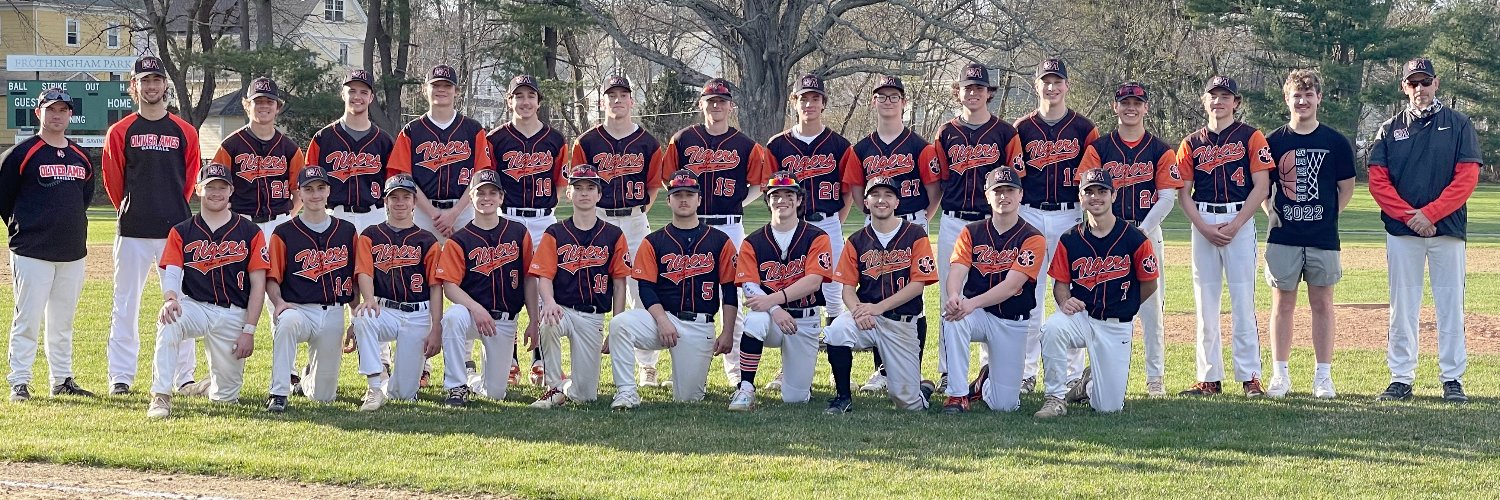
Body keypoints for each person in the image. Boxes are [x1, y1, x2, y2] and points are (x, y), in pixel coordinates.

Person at [1368, 58, 1482, 403]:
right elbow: (1378, 181)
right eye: (1413, 83)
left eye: (1425, 82)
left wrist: (1430, 214)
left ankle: (1452, 379)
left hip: (1446, 230)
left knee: (1450, 305)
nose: (1420, 89)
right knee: (1403, 307)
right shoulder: (1388, 129)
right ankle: (1401, 378)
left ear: (1437, 83)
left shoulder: (1460, 124)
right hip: (1403, 233)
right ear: (1404, 87)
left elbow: (1466, 178)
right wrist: (1410, 216)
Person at [662, 77, 774, 388]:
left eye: (722, 101)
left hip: (729, 225)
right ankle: (680, 369)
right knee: (682, 292)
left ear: (730, 106)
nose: (716, 106)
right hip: (691, 225)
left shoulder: (746, 144)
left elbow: (759, 185)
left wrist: (739, 201)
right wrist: (685, 205)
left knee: (733, 294)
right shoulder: (682, 139)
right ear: (701, 104)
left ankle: (736, 372)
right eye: (711, 101)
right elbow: (668, 180)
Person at [102, 55, 203, 396]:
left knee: (182, 303)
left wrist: (171, 208)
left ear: (165, 86)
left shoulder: (184, 131)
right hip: (132, 231)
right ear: (134, 86)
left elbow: (189, 180)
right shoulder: (120, 131)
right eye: (144, 81)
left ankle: (184, 376)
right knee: (125, 304)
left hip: (174, 230)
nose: (151, 86)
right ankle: (121, 376)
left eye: (156, 80)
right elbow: (114, 179)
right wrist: (131, 208)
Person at [1075, 82, 1182, 397]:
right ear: (1115, 107)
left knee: (1151, 309)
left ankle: (1155, 380)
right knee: (1101, 307)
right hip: (1105, 235)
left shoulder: (1160, 149)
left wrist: (1140, 231)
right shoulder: (1101, 147)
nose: (1130, 107)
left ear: (1146, 107)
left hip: (1145, 233)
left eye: (1137, 102)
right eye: (1124, 102)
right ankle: (1095, 376)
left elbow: (1167, 198)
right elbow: (1086, 190)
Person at [1176, 75, 1273, 397]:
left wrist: (1237, 224)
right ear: (1205, 101)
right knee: (1205, 302)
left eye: (1225, 96)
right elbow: (1183, 193)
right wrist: (1203, 227)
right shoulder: (1191, 142)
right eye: (1213, 96)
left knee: (1243, 301)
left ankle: (1250, 377)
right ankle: (1208, 378)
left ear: (1236, 102)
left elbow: (1262, 186)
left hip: (1239, 217)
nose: (1219, 101)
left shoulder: (1251, 136)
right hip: (1203, 218)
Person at [1034, 169, 1160, 418]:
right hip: (1082, 317)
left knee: (1109, 407)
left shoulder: (1134, 238)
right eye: (1089, 191)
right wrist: (1064, 300)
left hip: (1116, 323)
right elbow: (1061, 283)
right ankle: (1055, 399)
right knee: (1052, 328)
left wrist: (1127, 306)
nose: (1096, 197)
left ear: (1113, 196)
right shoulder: (1070, 238)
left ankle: (1087, 385)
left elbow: (1149, 283)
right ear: (1081, 198)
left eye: (1102, 191)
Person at [1261, 69, 1356, 399]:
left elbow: (1346, 187)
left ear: (1319, 98)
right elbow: (1263, 189)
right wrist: (1273, 214)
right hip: (1283, 236)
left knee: (1322, 304)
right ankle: (1280, 374)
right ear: (1286, 99)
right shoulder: (1273, 142)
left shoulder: (1335, 142)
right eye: (1296, 96)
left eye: (1308, 95)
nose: (1302, 101)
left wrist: (1327, 217)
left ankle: (1323, 376)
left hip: (1322, 237)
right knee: (1282, 304)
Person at [606, 170, 737, 409]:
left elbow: (729, 290)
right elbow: (645, 287)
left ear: (699, 200)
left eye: (689, 194)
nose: (684, 199)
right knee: (620, 324)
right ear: (669, 201)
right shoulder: (654, 241)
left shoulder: (720, 241)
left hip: (699, 324)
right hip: (660, 321)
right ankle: (626, 392)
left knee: (688, 399)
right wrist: (662, 319)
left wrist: (727, 332)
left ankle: (686, 374)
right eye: (678, 194)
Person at [145, 163, 268, 417]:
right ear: (198, 190)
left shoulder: (250, 232)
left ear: (231, 191)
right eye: (210, 186)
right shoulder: (182, 231)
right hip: (196, 306)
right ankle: (161, 396)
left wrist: (250, 330)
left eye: (222, 187)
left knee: (225, 398)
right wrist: (170, 299)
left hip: (234, 313)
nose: (216, 192)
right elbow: (173, 272)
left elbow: (259, 285)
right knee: (169, 321)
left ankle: (207, 385)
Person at [845, 75, 941, 394]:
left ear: (904, 102)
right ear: (874, 101)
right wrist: (874, 214)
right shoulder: (862, 148)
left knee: (915, 297)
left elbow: (934, 190)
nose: (888, 101)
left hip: (911, 221)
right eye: (882, 96)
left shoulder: (920, 146)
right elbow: (858, 190)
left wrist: (919, 220)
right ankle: (882, 371)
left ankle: (909, 365)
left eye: (894, 96)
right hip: (877, 222)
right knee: (875, 290)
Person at [930, 63, 1022, 394]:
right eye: (968, 87)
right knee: (950, 295)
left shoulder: (1005, 133)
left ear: (989, 93)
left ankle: (988, 368)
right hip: (953, 219)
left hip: (990, 224)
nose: (974, 93)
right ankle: (946, 371)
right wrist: (928, 218)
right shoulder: (945, 132)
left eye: (979, 88)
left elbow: (1014, 184)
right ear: (959, 91)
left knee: (988, 292)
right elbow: (937, 182)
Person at [1, 87, 97, 401]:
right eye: (51, 109)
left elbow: (82, 198)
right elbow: (5, 198)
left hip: (71, 252)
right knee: (27, 317)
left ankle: (62, 379)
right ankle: (20, 381)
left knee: (63, 321)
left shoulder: (80, 155)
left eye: (63, 109)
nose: (57, 115)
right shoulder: (22, 153)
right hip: (32, 251)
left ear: (70, 114)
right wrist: (22, 228)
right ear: (38, 113)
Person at [569, 74, 666, 386]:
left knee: (642, 287)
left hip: (636, 219)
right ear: (603, 101)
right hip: (597, 217)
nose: (617, 100)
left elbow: (653, 187)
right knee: (590, 286)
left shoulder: (649, 143)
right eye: (611, 95)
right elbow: (576, 184)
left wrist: (633, 216)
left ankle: (647, 365)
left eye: (623, 94)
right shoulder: (586, 142)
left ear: (632, 101)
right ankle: (587, 360)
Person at [1014, 58, 1098, 394]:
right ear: (1036, 85)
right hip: (1031, 213)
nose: (1052, 87)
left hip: (1069, 213)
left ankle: (1072, 375)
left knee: (1073, 293)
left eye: (1057, 81)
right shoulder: (1021, 128)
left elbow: (1093, 177)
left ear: (1067, 85)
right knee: (1028, 293)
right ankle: (1026, 371)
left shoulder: (1083, 128)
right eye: (1046, 81)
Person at [823, 176, 939, 414]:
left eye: (888, 195)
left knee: (909, 404)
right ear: (866, 202)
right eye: (875, 195)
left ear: (897, 201)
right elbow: (846, 288)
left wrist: (878, 307)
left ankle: (923, 389)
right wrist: (858, 310)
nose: (881, 200)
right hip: (867, 318)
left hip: (902, 323)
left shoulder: (916, 234)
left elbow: (918, 285)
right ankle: (843, 397)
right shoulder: (856, 240)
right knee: (836, 330)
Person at [939, 167, 1046, 414]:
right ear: (987, 196)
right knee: (954, 318)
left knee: (1004, 405)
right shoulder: (972, 231)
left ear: (1020, 195)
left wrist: (970, 303)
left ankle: (983, 382)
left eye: (1010, 190)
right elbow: (956, 270)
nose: (1004, 196)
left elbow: (1012, 286)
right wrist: (954, 296)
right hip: (980, 316)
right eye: (998, 191)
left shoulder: (1033, 238)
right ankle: (956, 395)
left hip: (1012, 320)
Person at [526, 164, 630, 409]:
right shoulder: (555, 232)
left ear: (599, 194)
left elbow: (619, 283)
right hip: (562, 309)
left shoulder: (613, 234)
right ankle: (553, 387)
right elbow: (544, 277)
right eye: (578, 187)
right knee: (548, 321)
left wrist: (617, 325)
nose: (584, 193)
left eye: (590, 188)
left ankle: (565, 388)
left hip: (593, 317)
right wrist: (549, 303)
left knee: (585, 396)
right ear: (569, 193)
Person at [728, 171, 834, 411]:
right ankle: (745, 388)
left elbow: (814, 281)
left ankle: (797, 382)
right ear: (768, 200)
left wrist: (775, 299)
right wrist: (775, 309)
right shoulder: (753, 241)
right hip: (771, 319)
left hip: (804, 320)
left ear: (798, 200)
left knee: (794, 398)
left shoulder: (817, 236)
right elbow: (749, 285)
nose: (782, 200)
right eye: (776, 195)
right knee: (754, 320)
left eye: (789, 194)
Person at [264, 166, 367, 412]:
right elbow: (272, 277)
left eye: (320, 188)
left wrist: (354, 317)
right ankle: (278, 392)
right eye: (308, 189)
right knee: (286, 323)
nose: (315, 194)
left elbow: (353, 279)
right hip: (297, 310)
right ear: (299, 192)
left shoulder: (347, 231)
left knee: (323, 397)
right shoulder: (284, 232)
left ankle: (308, 378)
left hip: (332, 311)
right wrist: (279, 303)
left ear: (329, 191)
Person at [432, 169, 536, 407]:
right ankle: (456, 386)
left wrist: (533, 320)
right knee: (453, 317)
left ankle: (472, 380)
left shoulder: (518, 232)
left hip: (504, 319)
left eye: (492, 193)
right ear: (471, 197)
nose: (486, 198)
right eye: (481, 193)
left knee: (495, 393)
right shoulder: (460, 239)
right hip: (470, 315)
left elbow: (530, 279)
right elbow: (449, 286)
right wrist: (475, 309)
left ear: (501, 198)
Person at [489, 74, 569, 385]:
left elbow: (561, 184)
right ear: (509, 101)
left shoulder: (555, 139)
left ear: (538, 101)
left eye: (530, 96)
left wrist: (544, 210)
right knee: (505, 283)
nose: (525, 102)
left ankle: (540, 357)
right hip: (506, 216)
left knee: (544, 286)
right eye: (518, 96)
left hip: (542, 218)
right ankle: (508, 359)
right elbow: (488, 182)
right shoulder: (495, 139)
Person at [346, 174, 443, 411]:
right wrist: (368, 300)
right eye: (394, 197)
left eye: (406, 197)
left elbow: (435, 286)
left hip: (417, 314)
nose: (400, 202)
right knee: (363, 315)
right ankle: (374, 387)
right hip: (385, 309)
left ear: (414, 202)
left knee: (403, 394)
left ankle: (391, 386)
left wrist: (436, 326)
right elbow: (364, 273)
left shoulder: (427, 239)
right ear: (385, 202)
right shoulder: (371, 234)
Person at [388, 64, 493, 241]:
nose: (441, 90)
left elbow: (481, 174)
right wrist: (434, 215)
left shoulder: (473, 129)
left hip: (464, 210)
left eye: (447, 86)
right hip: (424, 212)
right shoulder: (411, 131)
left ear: (456, 91)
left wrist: (455, 213)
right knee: (423, 266)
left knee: (464, 266)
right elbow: (405, 178)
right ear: (425, 89)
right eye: (435, 85)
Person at [213, 77, 305, 243]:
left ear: (278, 107)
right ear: (247, 105)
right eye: (258, 101)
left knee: (280, 270)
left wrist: (287, 218)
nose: (264, 106)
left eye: (270, 101)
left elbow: (299, 191)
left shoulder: (290, 148)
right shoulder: (230, 146)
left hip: (279, 222)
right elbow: (215, 187)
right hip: (242, 221)